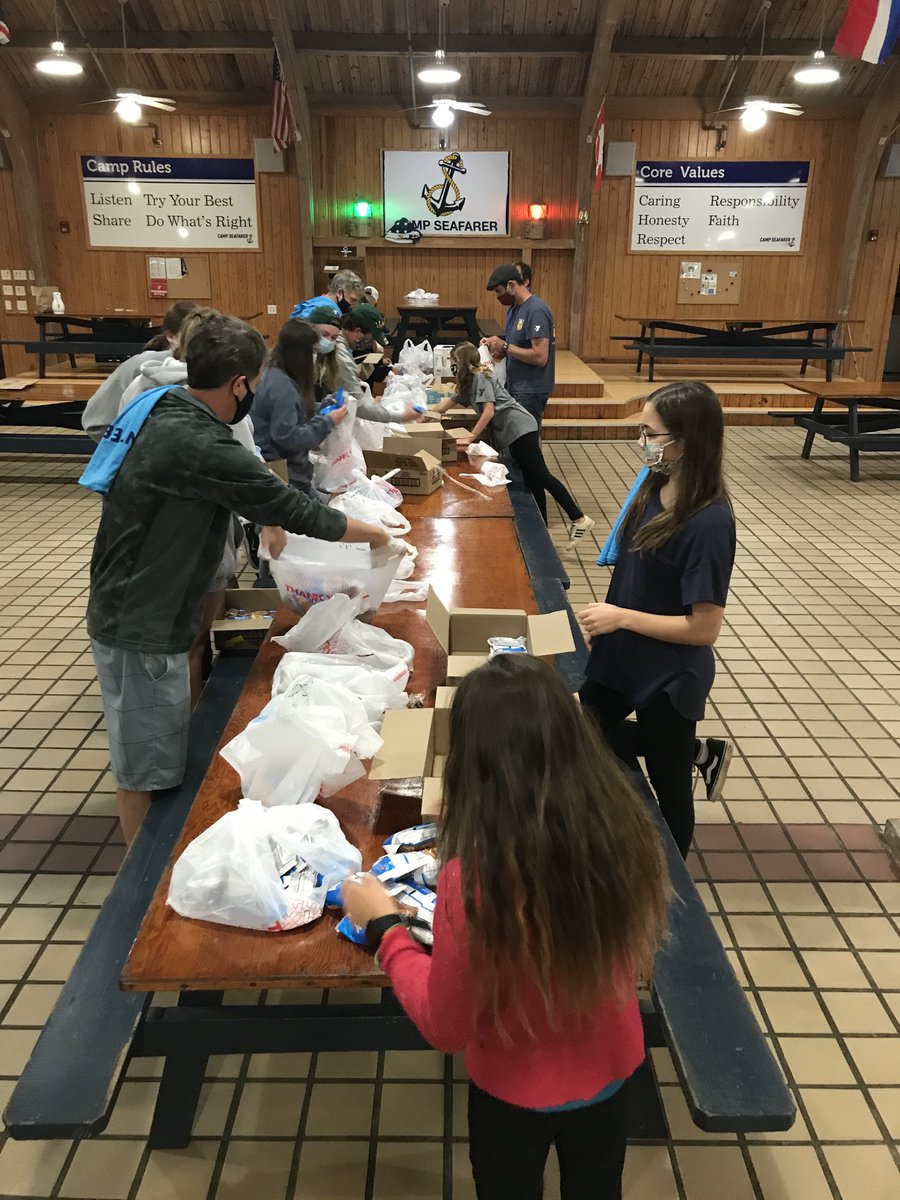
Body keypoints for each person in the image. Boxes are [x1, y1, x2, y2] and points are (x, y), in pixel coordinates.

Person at [342, 654, 669, 1200]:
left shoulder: (471, 880)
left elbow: (447, 1028)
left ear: (471, 761)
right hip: (611, 1072)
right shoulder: (624, 832)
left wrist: (385, 932)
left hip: (515, 1092)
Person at [83, 314, 390, 846]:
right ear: (239, 385)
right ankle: (136, 903)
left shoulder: (171, 407)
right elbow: (298, 508)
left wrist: (266, 515)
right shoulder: (197, 439)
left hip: (142, 602)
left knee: (161, 748)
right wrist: (380, 537)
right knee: (146, 770)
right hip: (141, 618)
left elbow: (245, 489)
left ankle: (154, 863)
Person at [576, 381, 736, 858]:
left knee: (670, 790)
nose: (641, 441)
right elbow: (633, 571)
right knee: (580, 733)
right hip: (623, 654)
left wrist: (620, 617)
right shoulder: (654, 485)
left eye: (650, 432)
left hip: (670, 673)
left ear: (685, 440)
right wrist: (605, 627)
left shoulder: (708, 523)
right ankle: (693, 752)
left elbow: (704, 629)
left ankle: (675, 884)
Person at [117, 307, 256, 704]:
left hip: (142, 536)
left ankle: (172, 712)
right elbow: (252, 477)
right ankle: (195, 727)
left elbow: (112, 439)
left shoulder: (141, 388)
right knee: (193, 641)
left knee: (166, 642)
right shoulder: (218, 405)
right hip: (198, 538)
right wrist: (270, 524)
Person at [429, 343, 593, 544]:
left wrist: (471, 437)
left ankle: (579, 518)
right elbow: (447, 404)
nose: (451, 365)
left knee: (541, 475)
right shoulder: (469, 381)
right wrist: (423, 417)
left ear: (461, 362)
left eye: (453, 361)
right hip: (512, 431)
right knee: (533, 479)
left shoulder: (481, 377)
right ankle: (542, 529)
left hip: (520, 428)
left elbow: (488, 411)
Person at [251, 318, 347, 497]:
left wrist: (322, 408)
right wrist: (327, 422)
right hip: (285, 477)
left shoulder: (278, 376)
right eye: (313, 351)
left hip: (291, 474)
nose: (315, 357)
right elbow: (288, 437)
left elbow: (295, 412)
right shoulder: (281, 387)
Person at [81, 300, 199, 441]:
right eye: (190, 335)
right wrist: (135, 448)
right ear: (170, 336)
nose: (198, 342)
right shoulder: (140, 365)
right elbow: (95, 423)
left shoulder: (206, 364)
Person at [307, 305, 418, 423]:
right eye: (370, 340)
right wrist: (400, 416)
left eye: (333, 336)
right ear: (358, 332)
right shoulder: (340, 355)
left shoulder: (337, 347)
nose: (369, 344)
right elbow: (359, 406)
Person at [481, 265, 555, 430]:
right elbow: (515, 345)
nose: (499, 297)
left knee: (527, 439)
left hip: (531, 389)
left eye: (500, 292)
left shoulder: (536, 310)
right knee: (518, 438)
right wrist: (497, 347)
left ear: (511, 285)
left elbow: (540, 357)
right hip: (515, 384)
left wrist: (505, 346)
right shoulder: (515, 309)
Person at [341, 303, 393, 385]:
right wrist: (391, 372)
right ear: (358, 331)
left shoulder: (360, 345)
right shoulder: (340, 346)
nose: (372, 342)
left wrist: (380, 361)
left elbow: (371, 371)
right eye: (370, 340)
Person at [290, 270, 364, 321]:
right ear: (339, 292)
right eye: (352, 300)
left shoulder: (317, 301)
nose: (352, 305)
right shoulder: (329, 311)